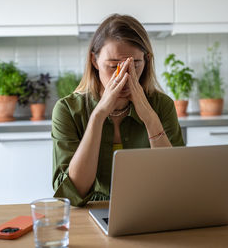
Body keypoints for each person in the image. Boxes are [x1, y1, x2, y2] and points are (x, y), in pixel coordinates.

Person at [52, 14, 184, 207]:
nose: (123, 76)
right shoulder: (67, 110)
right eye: (113, 66)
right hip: (91, 211)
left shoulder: (162, 105)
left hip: (150, 207)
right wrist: (98, 116)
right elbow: (73, 193)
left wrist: (149, 118)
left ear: (146, 62)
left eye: (135, 65)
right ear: (94, 61)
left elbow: (176, 182)